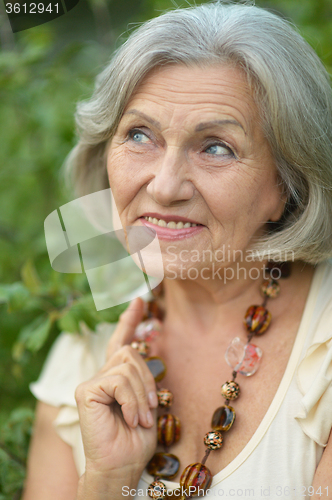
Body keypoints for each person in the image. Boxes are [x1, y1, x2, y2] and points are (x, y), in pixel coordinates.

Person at [22, 2, 332, 499]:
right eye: (139, 135)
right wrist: (105, 482)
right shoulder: (85, 344)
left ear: (288, 185)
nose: (164, 187)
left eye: (215, 147)